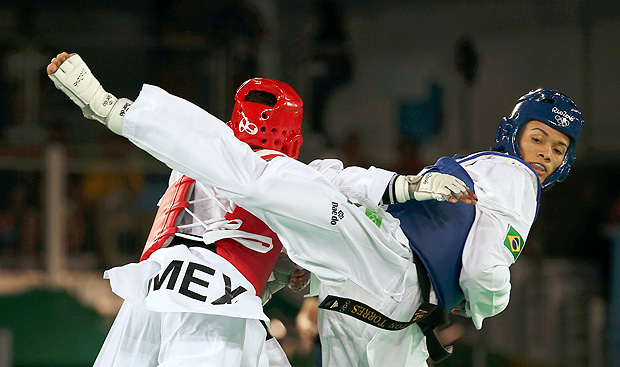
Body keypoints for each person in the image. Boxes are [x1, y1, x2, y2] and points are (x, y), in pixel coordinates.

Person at [47, 52, 582, 366]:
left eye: (557, 148)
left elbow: (337, 185)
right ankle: (118, 111)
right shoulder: (513, 180)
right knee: (275, 180)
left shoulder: (201, 160)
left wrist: (404, 190)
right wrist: (481, 301)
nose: (545, 155)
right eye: (541, 139)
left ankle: (117, 110)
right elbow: (344, 182)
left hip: (160, 297)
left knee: (267, 179)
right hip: (385, 302)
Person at [83, 74, 311, 366]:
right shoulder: (285, 178)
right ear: (294, 139)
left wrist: (280, 268)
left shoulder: (193, 156)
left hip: (150, 288)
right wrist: (293, 266)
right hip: (217, 298)